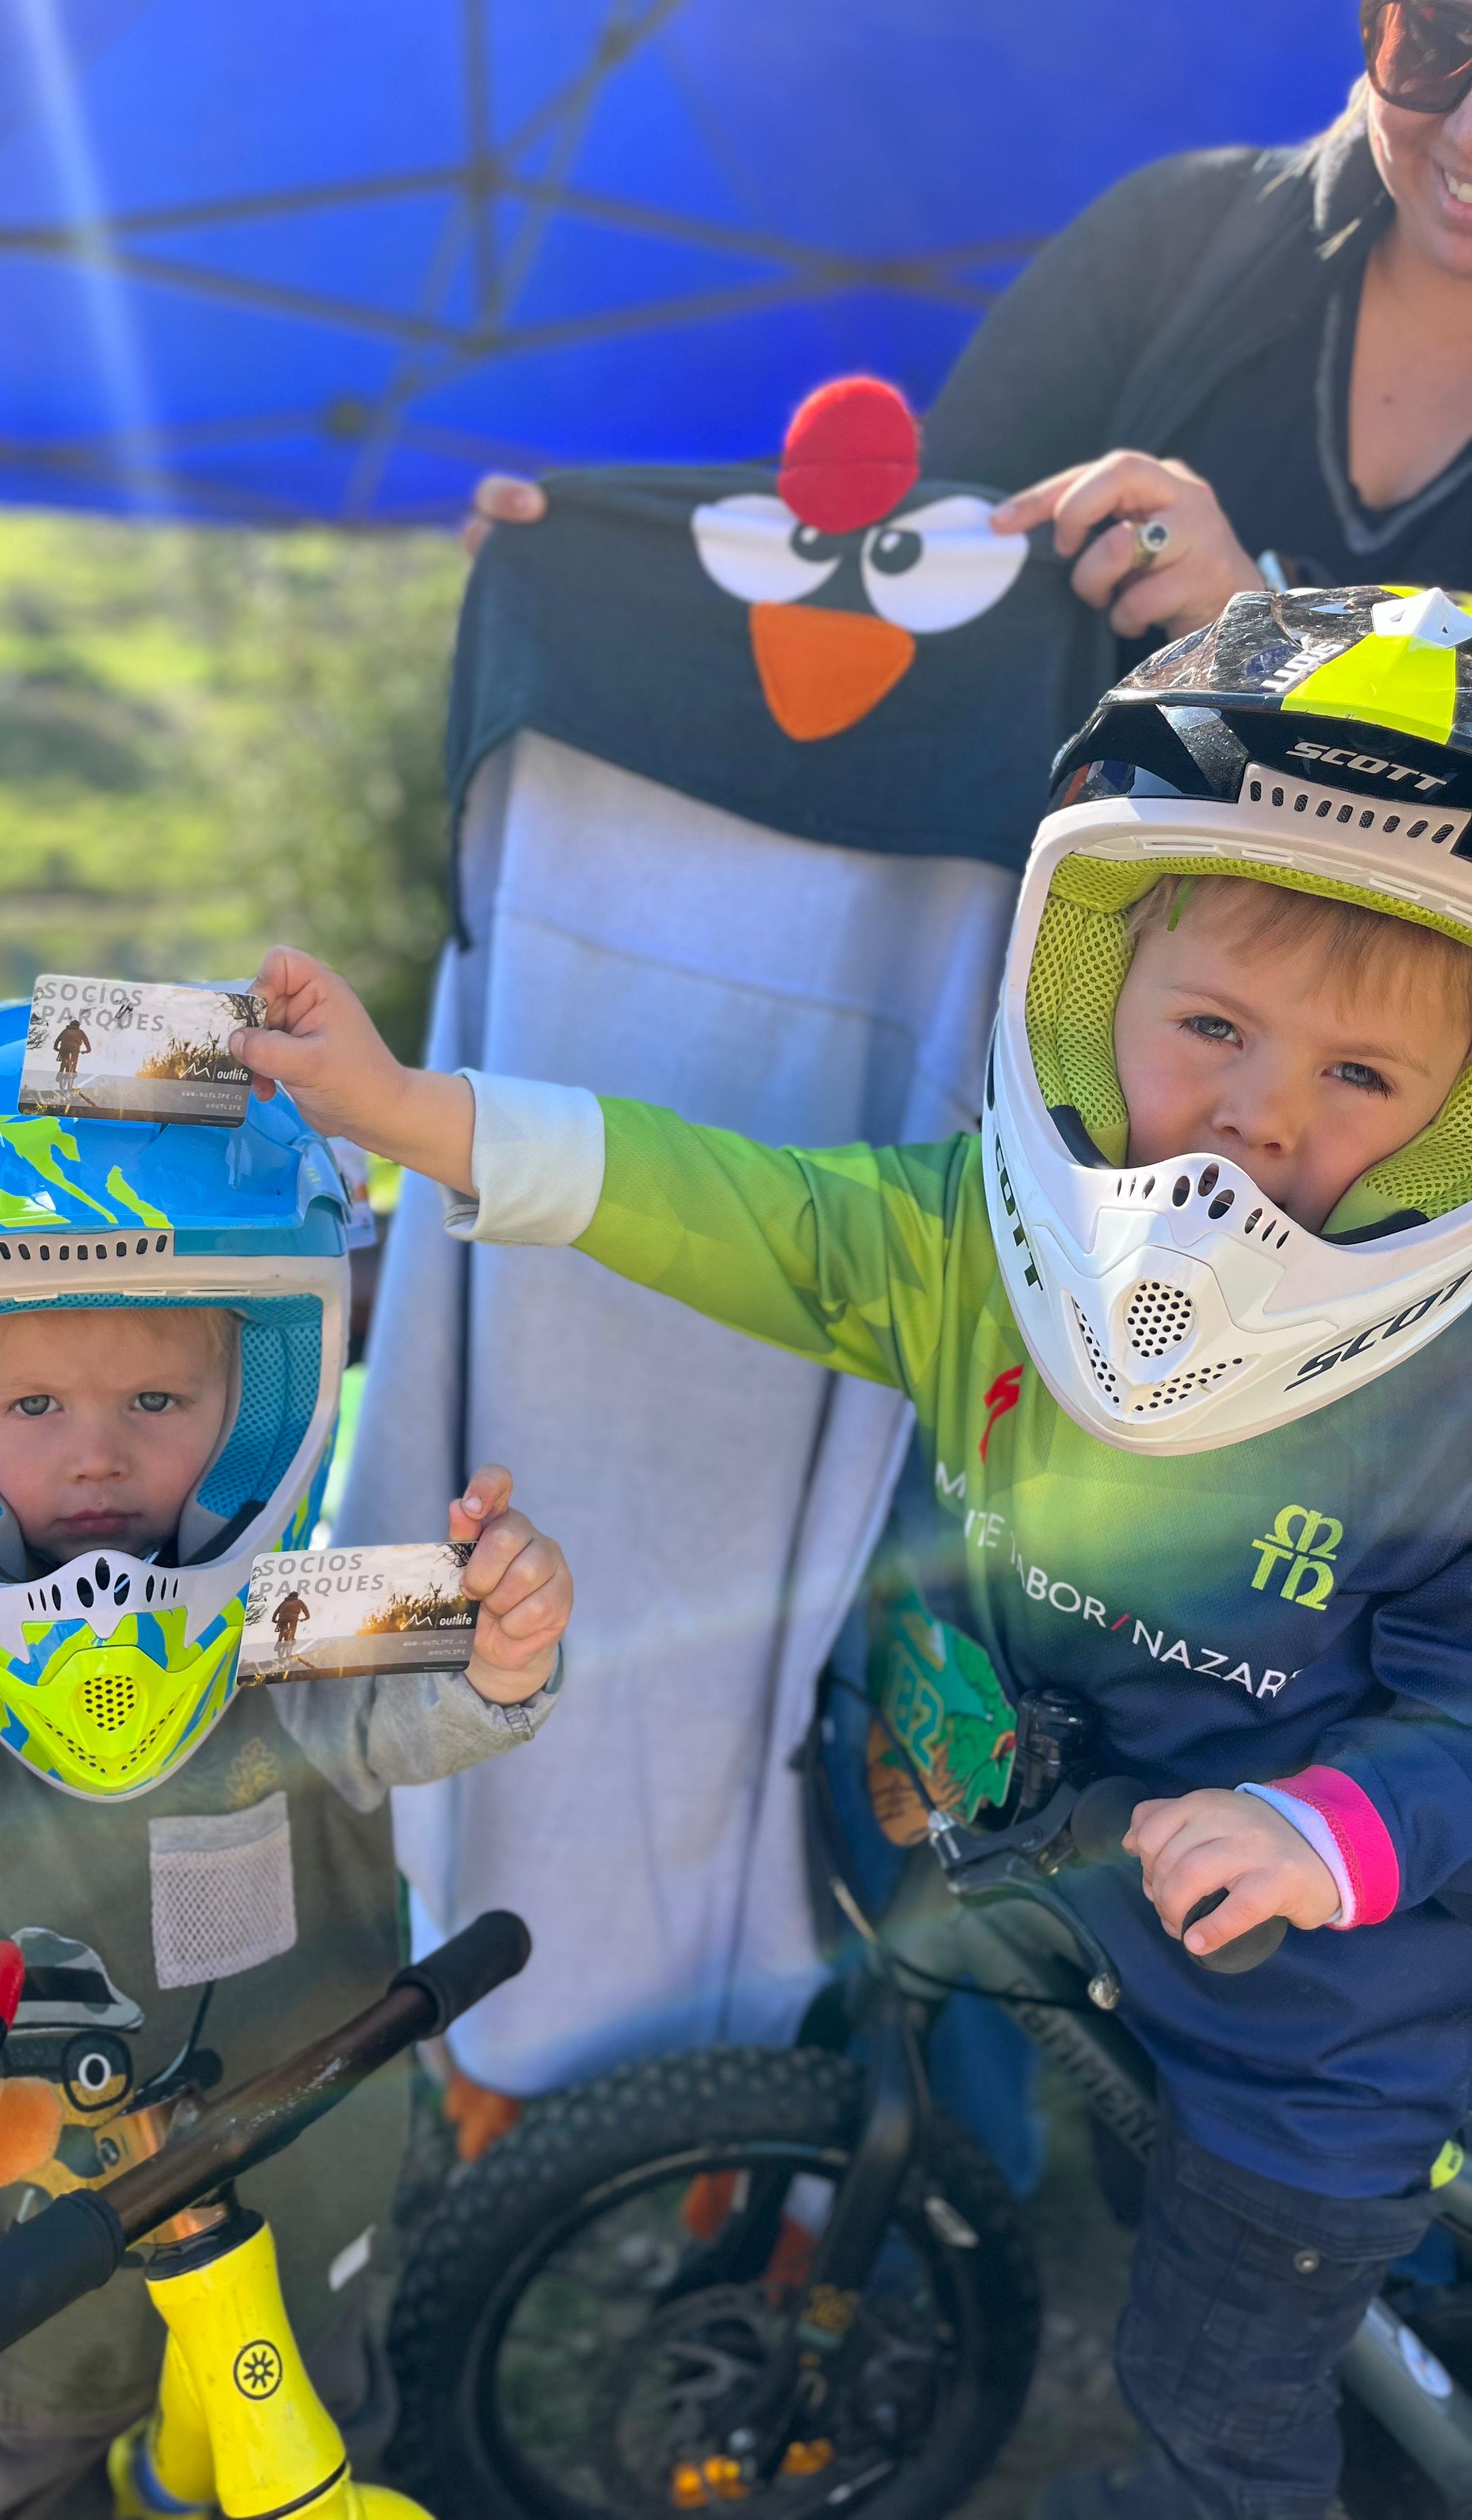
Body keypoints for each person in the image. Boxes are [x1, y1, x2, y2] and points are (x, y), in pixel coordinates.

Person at [231, 584, 1472, 2520]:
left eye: (1362, 1080)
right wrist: (413, 1114)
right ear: (1087, 988)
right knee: (1169, 2209)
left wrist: (1322, 1829)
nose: (1255, 1120)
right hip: (1094, 1895)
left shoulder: (1445, 1392)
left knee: (1216, 2387)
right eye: (1215, 1027)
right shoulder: (982, 1242)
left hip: (1317, 2029)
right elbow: (728, 1202)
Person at [0, 999, 573, 2520]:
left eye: (157, 1399)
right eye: (33, 1405)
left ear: (258, 1395)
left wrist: (509, 1643)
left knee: (328, 2459)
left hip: (296, 2249)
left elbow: (448, 1700)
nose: (98, 1454)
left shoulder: (302, 1609)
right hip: (15, 2318)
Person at [467, 1, 1472, 656]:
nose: (1467, 133)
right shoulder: (1184, 232)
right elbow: (909, 549)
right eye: (1438, 42)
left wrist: (1250, 630)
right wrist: (603, 560)